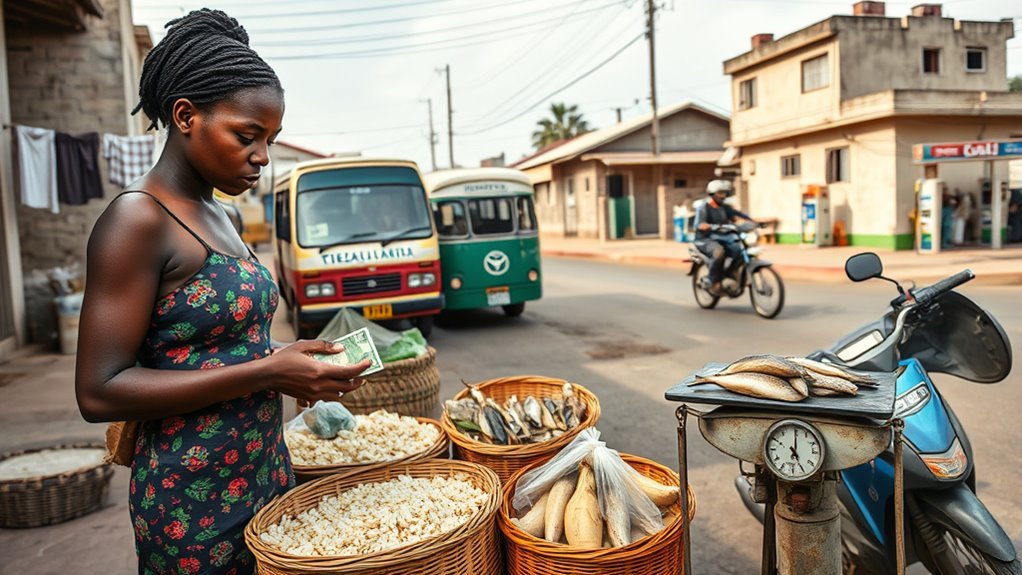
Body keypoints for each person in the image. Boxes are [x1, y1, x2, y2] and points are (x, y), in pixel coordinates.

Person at [74, 10, 371, 575]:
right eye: (246, 135)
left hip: (265, 471)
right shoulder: (138, 220)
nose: (262, 155)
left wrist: (291, 360)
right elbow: (99, 392)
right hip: (193, 500)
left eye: (271, 139)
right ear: (185, 116)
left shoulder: (223, 214)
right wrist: (266, 373)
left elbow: (228, 338)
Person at [693, 180, 755, 296]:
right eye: (720, 193)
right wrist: (708, 226)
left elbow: (737, 216)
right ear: (712, 194)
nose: (723, 196)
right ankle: (713, 281)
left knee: (740, 249)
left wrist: (753, 222)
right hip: (706, 239)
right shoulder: (704, 207)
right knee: (719, 252)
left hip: (724, 238)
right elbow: (699, 224)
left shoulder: (725, 208)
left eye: (725, 193)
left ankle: (731, 272)